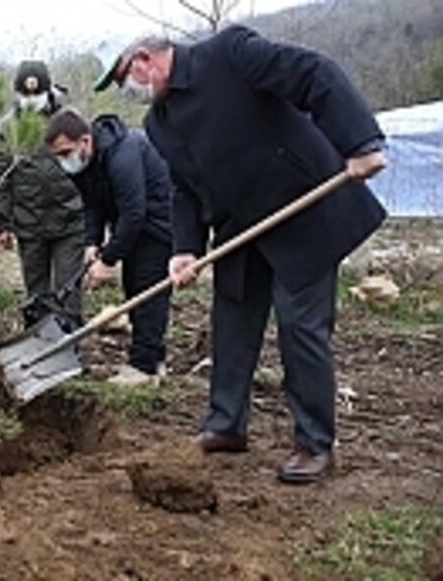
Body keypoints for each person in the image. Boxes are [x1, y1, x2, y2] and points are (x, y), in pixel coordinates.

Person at [95, 26, 388, 484]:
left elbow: (315, 73)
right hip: (241, 229)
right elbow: (183, 190)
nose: (128, 91)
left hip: (302, 210)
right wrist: (186, 248)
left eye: (124, 80)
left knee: (301, 328)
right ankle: (225, 424)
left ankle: (314, 444)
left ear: (143, 61)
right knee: (230, 324)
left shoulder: (230, 54)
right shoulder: (159, 122)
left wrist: (361, 143)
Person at [44, 107, 174, 386]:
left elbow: (134, 212)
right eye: (57, 156)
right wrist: (92, 243)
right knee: (133, 288)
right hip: (131, 224)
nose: (63, 161)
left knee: (147, 290)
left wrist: (109, 259)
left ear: (85, 141)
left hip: (159, 223)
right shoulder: (84, 164)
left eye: (65, 152)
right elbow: (92, 205)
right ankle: (154, 357)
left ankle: (144, 366)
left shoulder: (123, 154)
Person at [0, 61, 87, 331]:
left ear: (48, 90)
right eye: (25, 95)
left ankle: (69, 343)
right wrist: (3, 223)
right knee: (36, 290)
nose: (31, 100)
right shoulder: (6, 128)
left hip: (70, 219)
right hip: (28, 221)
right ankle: (40, 342)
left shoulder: (69, 119)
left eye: (37, 94)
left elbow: (88, 165)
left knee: (69, 287)